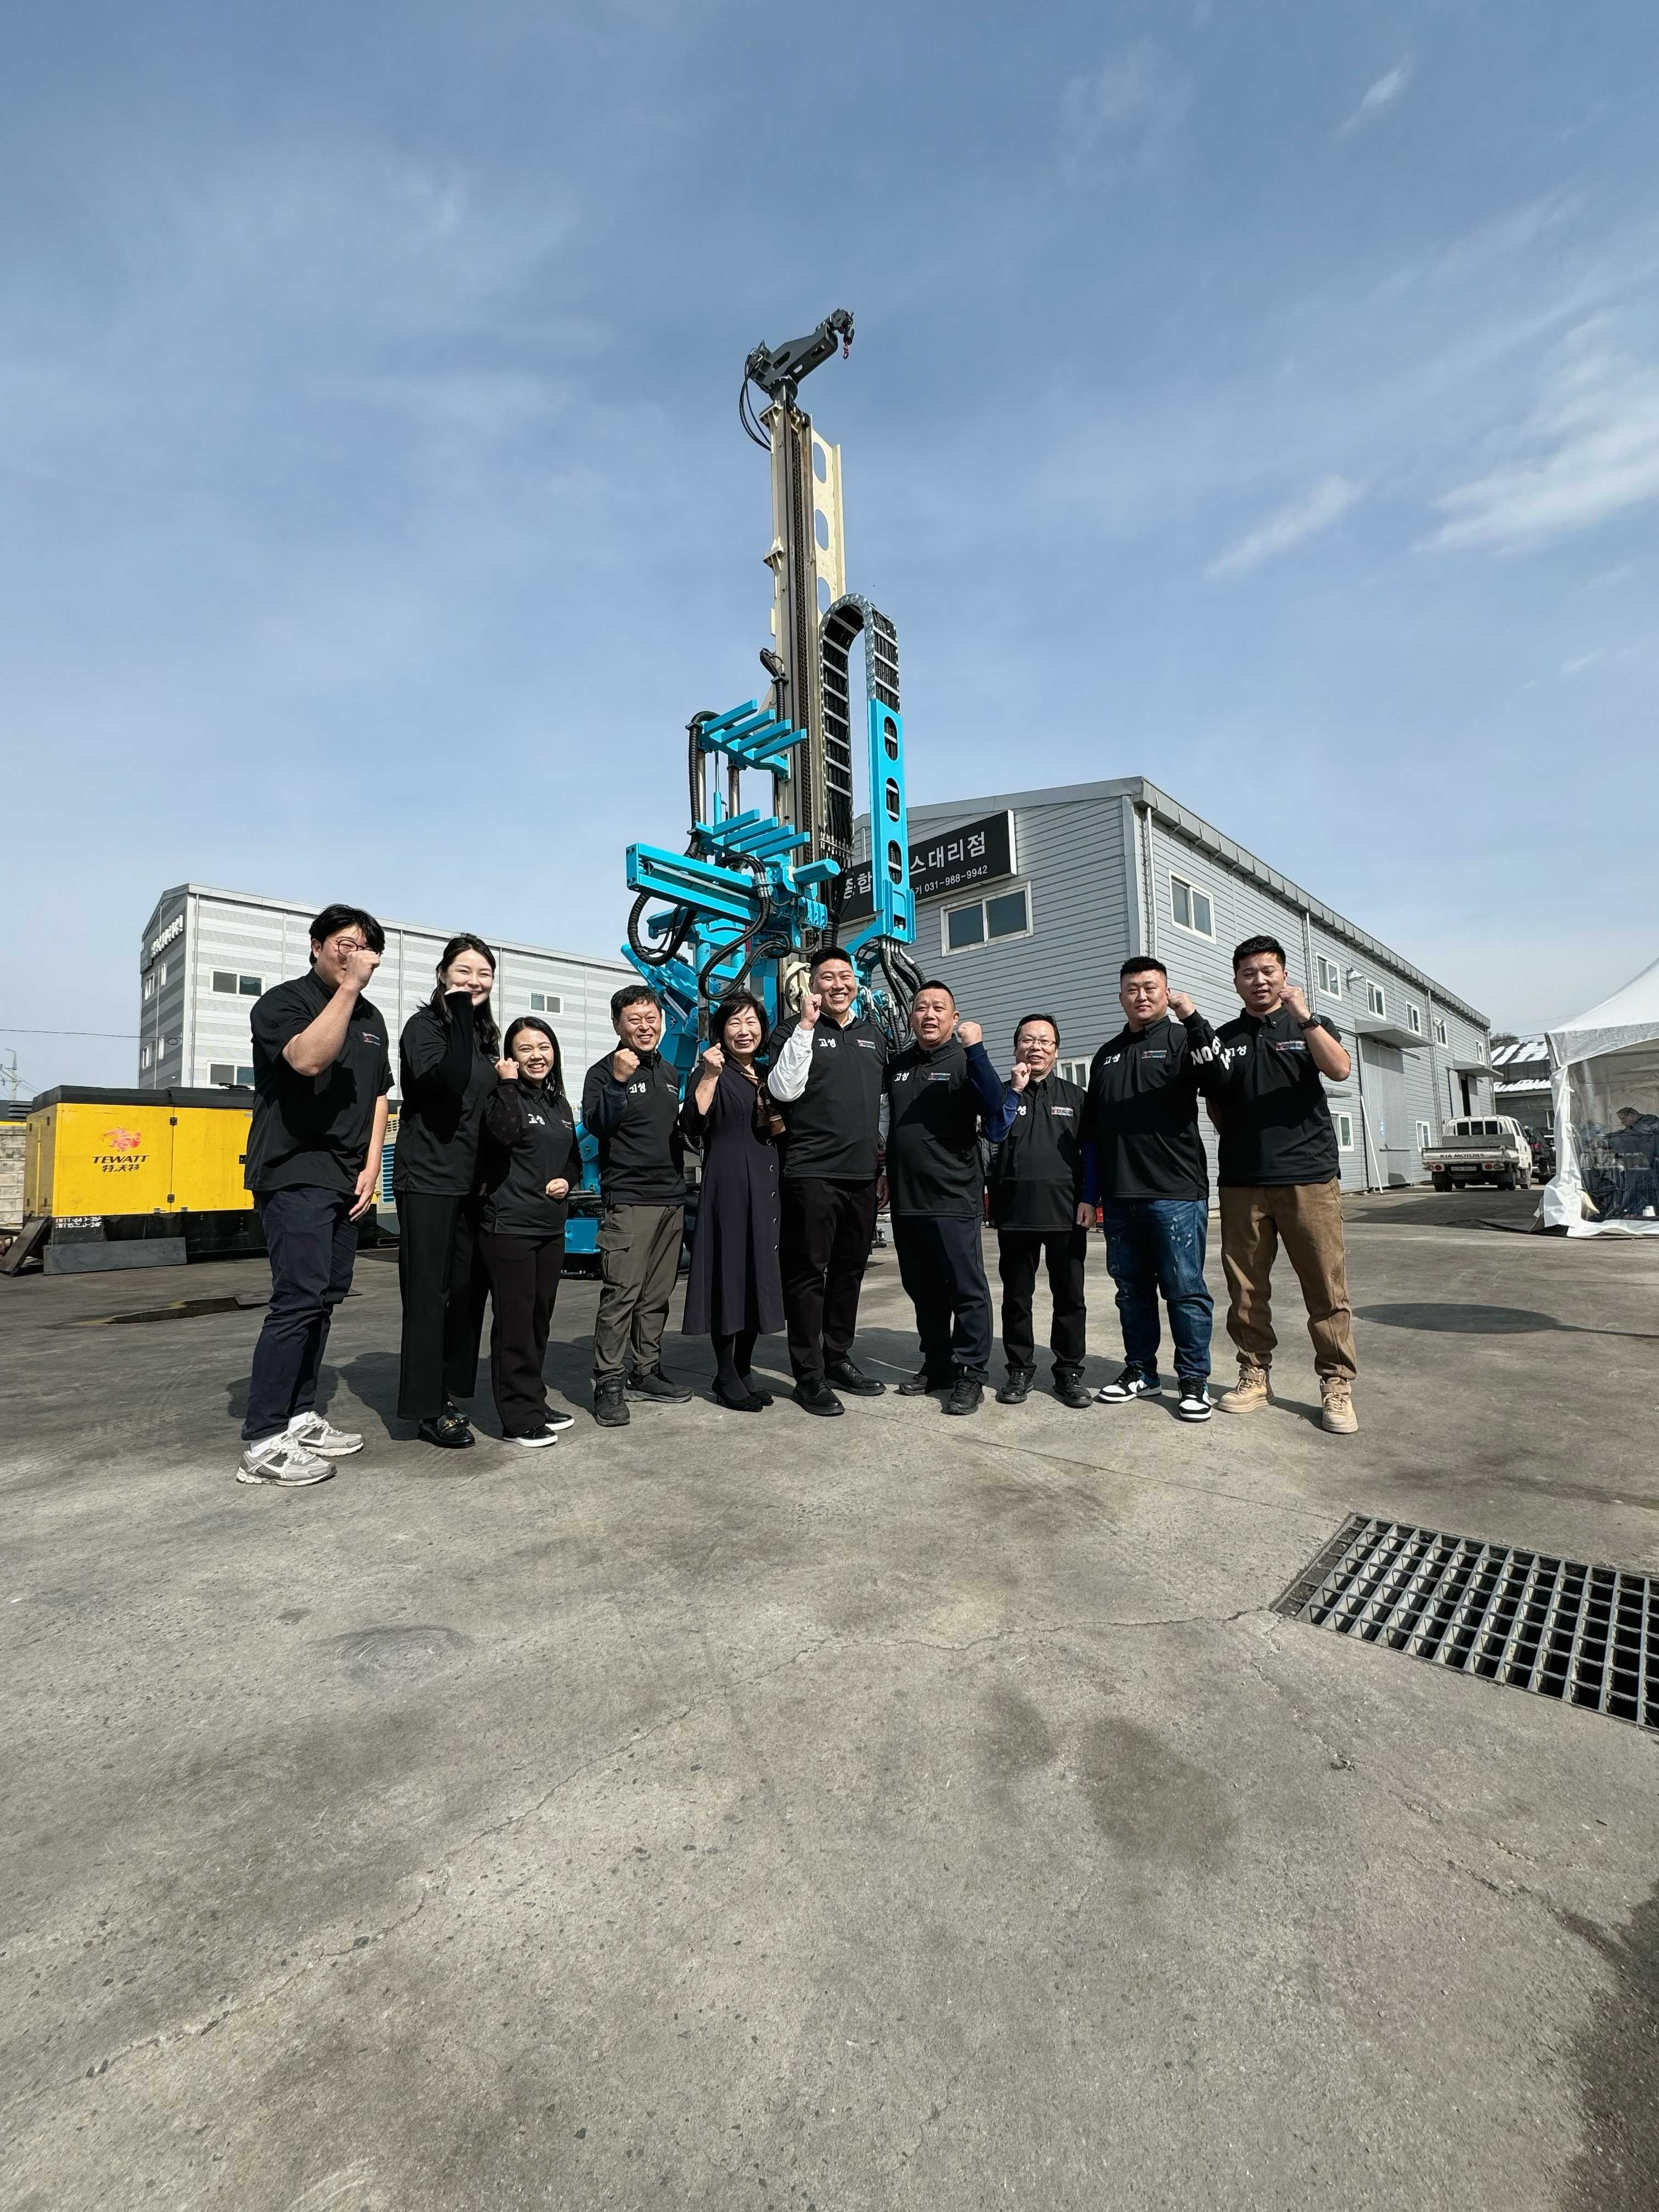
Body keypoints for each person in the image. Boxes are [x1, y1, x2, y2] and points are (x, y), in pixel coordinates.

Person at [236, 903, 392, 1486]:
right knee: (297, 1299)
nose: (354, 955)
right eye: (344, 943)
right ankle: (263, 1439)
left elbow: (379, 1094)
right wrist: (350, 987)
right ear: (316, 945)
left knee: (324, 1298)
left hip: (347, 1177)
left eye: (365, 947)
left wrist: (372, 1166)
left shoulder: (373, 1017)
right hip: (295, 1170)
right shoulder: (283, 1003)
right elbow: (306, 1060)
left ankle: (300, 1415)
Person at [1207, 934, 1358, 1435]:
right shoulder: (1224, 1038)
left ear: (1284, 975)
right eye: (1249, 973)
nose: (1259, 980)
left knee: (1325, 1286)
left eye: (1268, 971)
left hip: (1309, 1178)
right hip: (1243, 1181)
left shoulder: (1309, 1024)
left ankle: (1336, 1383)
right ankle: (1254, 1374)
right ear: (1236, 981)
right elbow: (1216, 1105)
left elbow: (1339, 1069)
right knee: (1246, 1289)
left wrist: (1306, 1017)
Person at [1080, 958, 1221, 1423]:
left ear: (1166, 992)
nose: (1141, 996)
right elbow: (1093, 1131)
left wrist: (1193, 1019)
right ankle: (1141, 1371)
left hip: (1175, 1192)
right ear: (1120, 996)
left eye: (1150, 988)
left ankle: (1194, 1379)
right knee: (1131, 1291)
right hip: (1121, 1195)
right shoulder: (1107, 1055)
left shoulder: (1183, 1039)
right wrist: (1091, 1194)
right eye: (1132, 989)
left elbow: (1219, 1078)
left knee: (1184, 1290)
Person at [764, 946, 889, 1418]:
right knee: (807, 1274)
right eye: (828, 977)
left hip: (862, 1175)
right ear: (812, 985)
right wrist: (805, 1026)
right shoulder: (792, 1031)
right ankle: (809, 1375)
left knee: (849, 1272)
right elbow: (782, 1089)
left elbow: (880, 1107)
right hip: (811, 1171)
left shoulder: (873, 1036)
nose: (838, 984)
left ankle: (838, 1358)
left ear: (856, 982)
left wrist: (882, 1164)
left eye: (845, 976)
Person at [884, 980, 1015, 1416]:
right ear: (911, 1017)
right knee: (922, 1289)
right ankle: (938, 1363)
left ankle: (972, 1373)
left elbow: (994, 1106)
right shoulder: (899, 1064)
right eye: (921, 1007)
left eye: (939, 1008)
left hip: (954, 1197)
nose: (929, 1014)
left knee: (966, 1289)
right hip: (908, 1197)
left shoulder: (964, 1061)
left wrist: (976, 1049)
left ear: (954, 1017)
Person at [394, 934, 500, 1451]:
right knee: (428, 1294)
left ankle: (450, 1390)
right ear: (443, 975)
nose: (474, 981)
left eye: (484, 974)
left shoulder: (481, 1037)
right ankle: (427, 1407)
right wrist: (458, 1009)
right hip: (428, 1178)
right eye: (464, 971)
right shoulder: (426, 1028)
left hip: (469, 1181)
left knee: (465, 1290)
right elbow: (449, 1082)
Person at [580, 984, 691, 1427]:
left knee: (657, 1295)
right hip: (629, 1199)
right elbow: (599, 1125)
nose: (645, 1027)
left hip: (670, 1198)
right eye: (634, 1020)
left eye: (652, 1018)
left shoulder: (669, 1071)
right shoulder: (602, 1072)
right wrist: (618, 1081)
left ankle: (646, 1371)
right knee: (621, 1294)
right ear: (617, 1025)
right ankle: (609, 1381)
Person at [477, 1017, 582, 1447]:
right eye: (525, 1049)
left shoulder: (559, 1104)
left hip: (549, 1226)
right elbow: (502, 1136)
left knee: (539, 1321)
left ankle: (533, 1401)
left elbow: (573, 1160)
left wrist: (567, 1182)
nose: (537, 1056)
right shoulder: (503, 1098)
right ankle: (518, 1418)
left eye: (544, 1047)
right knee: (515, 1323)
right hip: (510, 1226)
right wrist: (505, 1084)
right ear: (510, 1057)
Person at [679, 992, 786, 1410]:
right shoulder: (711, 1070)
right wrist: (708, 1076)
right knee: (730, 1277)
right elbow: (692, 1123)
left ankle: (744, 1368)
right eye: (735, 1023)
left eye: (752, 1022)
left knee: (757, 1277)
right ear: (721, 1031)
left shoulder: (767, 1073)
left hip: (766, 1187)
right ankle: (725, 1375)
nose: (745, 1031)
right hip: (729, 1188)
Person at [986, 1014, 1092, 1408]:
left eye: (1045, 1041)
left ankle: (1069, 1372)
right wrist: (1015, 1091)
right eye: (1028, 1040)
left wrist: (1090, 1199)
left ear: (1056, 1051)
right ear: (1016, 1047)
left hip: (1066, 1213)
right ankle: (1019, 1369)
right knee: (1017, 1298)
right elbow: (993, 1133)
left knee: (1070, 1298)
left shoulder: (1076, 1097)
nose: (1036, 1048)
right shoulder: (1001, 1094)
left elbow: (1091, 1153)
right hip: (1015, 1213)